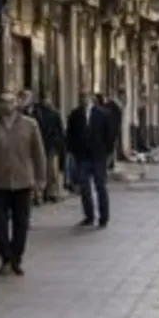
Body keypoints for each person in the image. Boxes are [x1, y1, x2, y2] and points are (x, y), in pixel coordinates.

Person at [0, 90, 49, 276]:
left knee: (21, 222)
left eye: (10, 102)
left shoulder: (29, 125)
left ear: (16, 103)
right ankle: (5, 257)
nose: (6, 105)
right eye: (2, 102)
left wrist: (41, 178)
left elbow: (38, 153)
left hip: (23, 181)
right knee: (0, 222)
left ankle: (17, 258)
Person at [66, 92, 113, 228]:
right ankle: (89, 216)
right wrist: (73, 151)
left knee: (100, 186)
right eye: (81, 97)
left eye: (86, 96)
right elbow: (70, 133)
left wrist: (108, 153)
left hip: (98, 156)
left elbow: (109, 135)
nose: (83, 99)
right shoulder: (75, 115)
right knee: (85, 188)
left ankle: (104, 217)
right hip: (82, 157)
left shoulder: (103, 114)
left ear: (91, 98)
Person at [25, 89, 66, 204]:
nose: (46, 101)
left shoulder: (54, 113)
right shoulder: (37, 112)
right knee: (40, 170)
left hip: (50, 145)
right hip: (40, 144)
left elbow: (60, 131)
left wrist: (58, 144)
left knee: (51, 170)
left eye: (48, 98)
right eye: (44, 98)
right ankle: (40, 194)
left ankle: (51, 192)